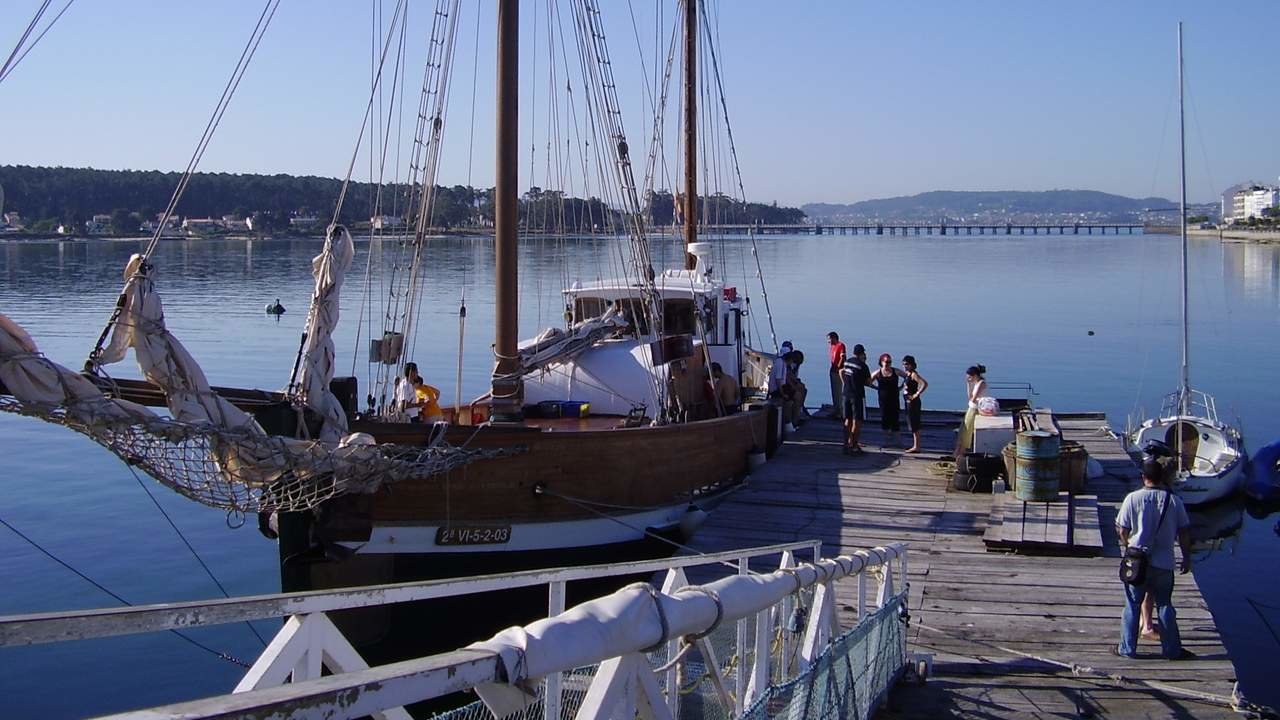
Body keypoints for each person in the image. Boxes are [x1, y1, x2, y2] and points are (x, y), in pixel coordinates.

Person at [1116, 451, 1194, 660]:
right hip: (1164, 562)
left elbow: (1122, 529)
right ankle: (1171, 650)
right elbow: (1184, 532)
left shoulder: (1132, 498)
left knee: (1132, 604)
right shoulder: (1174, 501)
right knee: (1165, 604)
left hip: (1138, 561)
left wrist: (1128, 546)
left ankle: (1127, 649)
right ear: (1162, 477)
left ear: (1144, 477)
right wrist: (1186, 557)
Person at [869, 353, 907, 447]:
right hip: (883, 399)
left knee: (895, 419)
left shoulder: (895, 371)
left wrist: (902, 386)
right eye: (886, 362)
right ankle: (886, 441)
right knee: (885, 418)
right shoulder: (878, 373)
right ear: (881, 362)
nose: (888, 364)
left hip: (894, 398)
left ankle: (898, 441)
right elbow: (867, 381)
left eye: (890, 362)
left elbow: (907, 376)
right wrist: (875, 388)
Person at [839, 343, 871, 454]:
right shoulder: (862, 366)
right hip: (857, 395)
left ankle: (846, 444)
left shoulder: (847, 362)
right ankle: (854, 445)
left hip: (846, 393)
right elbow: (868, 381)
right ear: (862, 353)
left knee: (847, 420)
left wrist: (845, 382)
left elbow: (841, 371)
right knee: (857, 421)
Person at [954, 364, 988, 461]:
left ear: (975, 375)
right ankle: (957, 454)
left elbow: (973, 399)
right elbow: (970, 397)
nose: (968, 378)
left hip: (975, 409)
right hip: (971, 408)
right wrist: (968, 384)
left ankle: (959, 455)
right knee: (962, 431)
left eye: (970, 376)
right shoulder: (976, 383)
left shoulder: (981, 383)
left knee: (966, 432)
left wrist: (972, 399)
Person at [901, 355, 929, 454]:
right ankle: (915, 445)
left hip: (913, 402)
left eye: (907, 364)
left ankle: (917, 446)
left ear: (912, 365)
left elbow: (924, 383)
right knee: (911, 422)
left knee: (915, 423)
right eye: (904, 364)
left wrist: (916, 394)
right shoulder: (907, 374)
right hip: (907, 401)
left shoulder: (913, 375)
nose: (905, 366)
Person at [827, 332, 846, 420]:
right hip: (832, 370)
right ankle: (836, 410)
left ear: (834, 338)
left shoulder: (840, 345)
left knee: (838, 392)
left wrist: (838, 367)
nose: (828, 341)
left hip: (838, 371)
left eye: (829, 339)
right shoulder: (832, 347)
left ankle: (841, 412)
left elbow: (843, 357)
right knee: (834, 392)